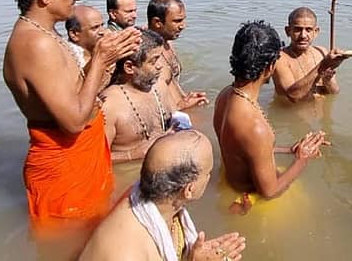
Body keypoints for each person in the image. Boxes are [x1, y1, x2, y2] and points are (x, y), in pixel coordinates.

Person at [2, 0, 140, 242]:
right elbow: (74, 121)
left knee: (95, 240)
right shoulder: (35, 43)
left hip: (82, 157)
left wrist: (111, 56)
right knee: (70, 246)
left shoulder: (46, 33)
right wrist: (101, 60)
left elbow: (78, 92)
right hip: (63, 166)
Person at [213, 21, 330, 214]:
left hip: (230, 182)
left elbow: (244, 149)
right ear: (270, 67)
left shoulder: (226, 95)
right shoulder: (255, 126)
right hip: (253, 200)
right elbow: (269, 191)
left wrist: (289, 150)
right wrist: (302, 158)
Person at [79, 130, 247, 261]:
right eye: (208, 173)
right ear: (189, 190)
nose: (210, 178)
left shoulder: (154, 198)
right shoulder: (125, 253)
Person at [101, 29, 174, 163]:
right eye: (153, 61)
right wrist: (132, 154)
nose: (160, 67)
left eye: (160, 59)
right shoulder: (109, 105)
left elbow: (175, 119)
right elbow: (93, 158)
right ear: (129, 67)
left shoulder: (160, 86)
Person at [147, 0, 208, 113]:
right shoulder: (151, 57)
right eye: (177, 21)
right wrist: (180, 107)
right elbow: (156, 105)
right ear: (157, 22)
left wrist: (186, 99)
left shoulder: (168, 43)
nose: (183, 26)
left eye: (183, 20)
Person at [272, 7, 347, 103]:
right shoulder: (280, 58)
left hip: (319, 114)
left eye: (308, 30)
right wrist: (322, 66)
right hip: (294, 114)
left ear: (316, 32)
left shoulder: (322, 52)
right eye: (297, 29)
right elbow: (293, 96)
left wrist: (328, 82)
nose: (303, 35)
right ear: (288, 31)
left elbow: (334, 93)